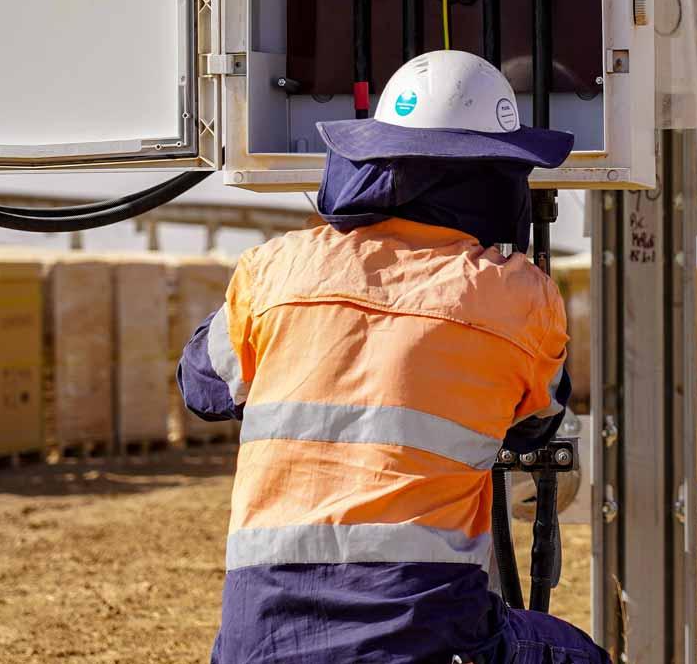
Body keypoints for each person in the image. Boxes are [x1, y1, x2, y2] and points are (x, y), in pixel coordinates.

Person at [178, 49, 611, 664]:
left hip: (260, 640)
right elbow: (537, 419)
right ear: (498, 174)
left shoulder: (273, 268)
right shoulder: (517, 295)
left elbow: (204, 388)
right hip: (420, 636)